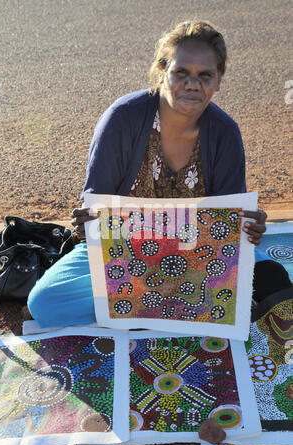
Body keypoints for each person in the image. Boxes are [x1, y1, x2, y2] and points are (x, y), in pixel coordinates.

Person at [27, 20, 267, 328]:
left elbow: (229, 224)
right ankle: (174, 305)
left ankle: (143, 306)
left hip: (197, 256)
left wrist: (247, 225)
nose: (193, 83)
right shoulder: (122, 118)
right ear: (162, 70)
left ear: (218, 79)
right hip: (124, 255)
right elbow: (96, 201)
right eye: (181, 72)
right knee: (46, 302)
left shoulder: (225, 133)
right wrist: (89, 221)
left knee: (272, 281)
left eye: (205, 75)